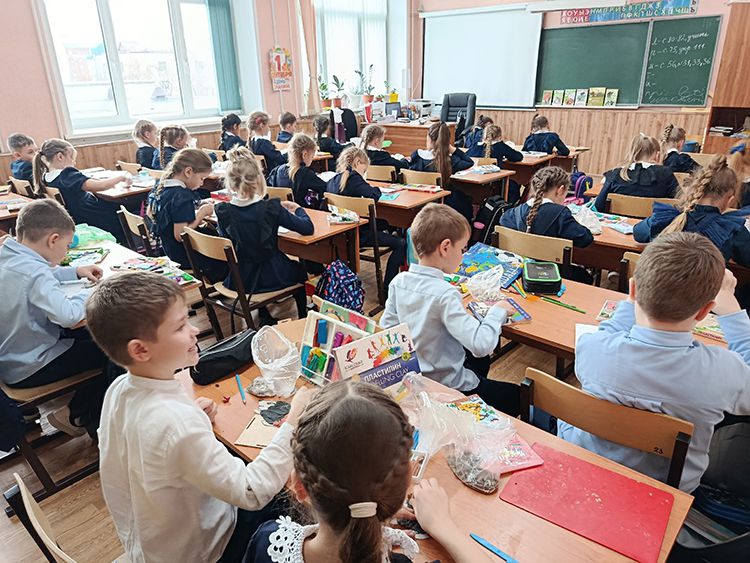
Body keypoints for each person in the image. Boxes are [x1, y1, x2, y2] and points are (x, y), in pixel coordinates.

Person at [88, 271, 313, 563]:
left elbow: (151, 444)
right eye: (181, 326)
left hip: (154, 542)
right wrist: (294, 421)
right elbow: (251, 491)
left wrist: (193, 418)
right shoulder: (177, 423)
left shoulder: (120, 388)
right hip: (208, 551)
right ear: (140, 350)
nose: (194, 330)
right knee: (296, 498)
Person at [559, 232, 750, 493]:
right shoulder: (723, 371)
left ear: (632, 289)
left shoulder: (591, 347)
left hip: (586, 468)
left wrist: (631, 302)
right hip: (665, 491)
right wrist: (733, 313)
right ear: (706, 311)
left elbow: (608, 330)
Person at [245, 380, 492, 563]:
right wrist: (444, 525)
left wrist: (365, 519)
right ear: (407, 482)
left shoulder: (267, 543)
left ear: (298, 486)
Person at [381, 203, 520, 416]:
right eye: (462, 249)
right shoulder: (445, 294)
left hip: (415, 380)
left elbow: (387, 331)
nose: (463, 255)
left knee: (477, 360)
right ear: (445, 247)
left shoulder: (398, 282)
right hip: (448, 386)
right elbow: (482, 345)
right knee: (518, 396)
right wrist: (497, 312)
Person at [0, 199, 113, 437]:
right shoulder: (34, 272)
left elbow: (40, 274)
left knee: (95, 338)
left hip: (10, 359)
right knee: (116, 350)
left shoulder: (8, 254)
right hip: (31, 366)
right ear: (53, 239)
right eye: (67, 245)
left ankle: (80, 412)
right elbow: (68, 316)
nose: (66, 252)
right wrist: (91, 292)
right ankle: (76, 415)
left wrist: (74, 271)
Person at [216, 147, 312, 320]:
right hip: (273, 274)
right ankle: (303, 316)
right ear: (259, 179)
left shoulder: (223, 211)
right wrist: (299, 209)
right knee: (300, 270)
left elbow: (227, 239)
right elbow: (307, 228)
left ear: (230, 183)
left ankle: (264, 314)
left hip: (241, 279)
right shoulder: (271, 208)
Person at [634, 155, 750, 266]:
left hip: (658, 278)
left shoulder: (667, 217)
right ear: (730, 200)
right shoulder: (730, 229)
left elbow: (638, 233)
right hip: (704, 280)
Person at [326, 146, 406, 291]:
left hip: (340, 236)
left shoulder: (333, 180)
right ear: (357, 162)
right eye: (364, 170)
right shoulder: (354, 178)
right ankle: (387, 289)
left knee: (384, 223)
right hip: (359, 235)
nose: (364, 173)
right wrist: (374, 188)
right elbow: (374, 195)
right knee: (401, 243)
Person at [500, 166, 594, 283]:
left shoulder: (515, 211)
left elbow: (503, 221)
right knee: (586, 276)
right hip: (551, 274)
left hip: (518, 271)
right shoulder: (561, 214)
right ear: (560, 190)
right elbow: (585, 239)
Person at [146, 148, 224, 280]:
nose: (202, 183)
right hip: (184, 255)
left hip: (169, 249)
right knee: (222, 255)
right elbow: (180, 235)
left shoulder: (162, 187)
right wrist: (201, 213)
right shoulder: (182, 196)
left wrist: (196, 205)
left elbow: (155, 212)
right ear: (188, 172)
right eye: (201, 178)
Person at [32, 138, 130, 244]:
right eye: (72, 158)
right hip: (95, 215)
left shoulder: (45, 178)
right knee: (129, 205)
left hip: (80, 216)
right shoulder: (66, 175)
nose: (74, 162)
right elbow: (102, 186)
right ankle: (131, 242)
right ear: (60, 156)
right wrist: (121, 177)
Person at [594, 133, 679, 212]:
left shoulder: (615, 174)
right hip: (654, 222)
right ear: (657, 155)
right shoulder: (666, 174)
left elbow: (599, 205)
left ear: (632, 152)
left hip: (618, 222)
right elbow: (679, 202)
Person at [408, 121, 475, 221]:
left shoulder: (416, 156)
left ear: (429, 138)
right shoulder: (450, 160)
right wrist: (452, 149)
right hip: (444, 204)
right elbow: (469, 162)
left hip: (417, 201)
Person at [466, 124, 523, 202]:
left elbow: (466, 157)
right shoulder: (500, 146)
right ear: (499, 137)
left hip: (474, 182)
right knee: (513, 185)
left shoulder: (476, 146)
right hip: (494, 184)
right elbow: (518, 157)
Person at [288, 133, 327, 209]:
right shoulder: (304, 173)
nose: (312, 160)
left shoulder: (278, 170)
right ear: (305, 154)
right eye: (312, 156)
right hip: (301, 213)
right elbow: (326, 187)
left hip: (282, 213)